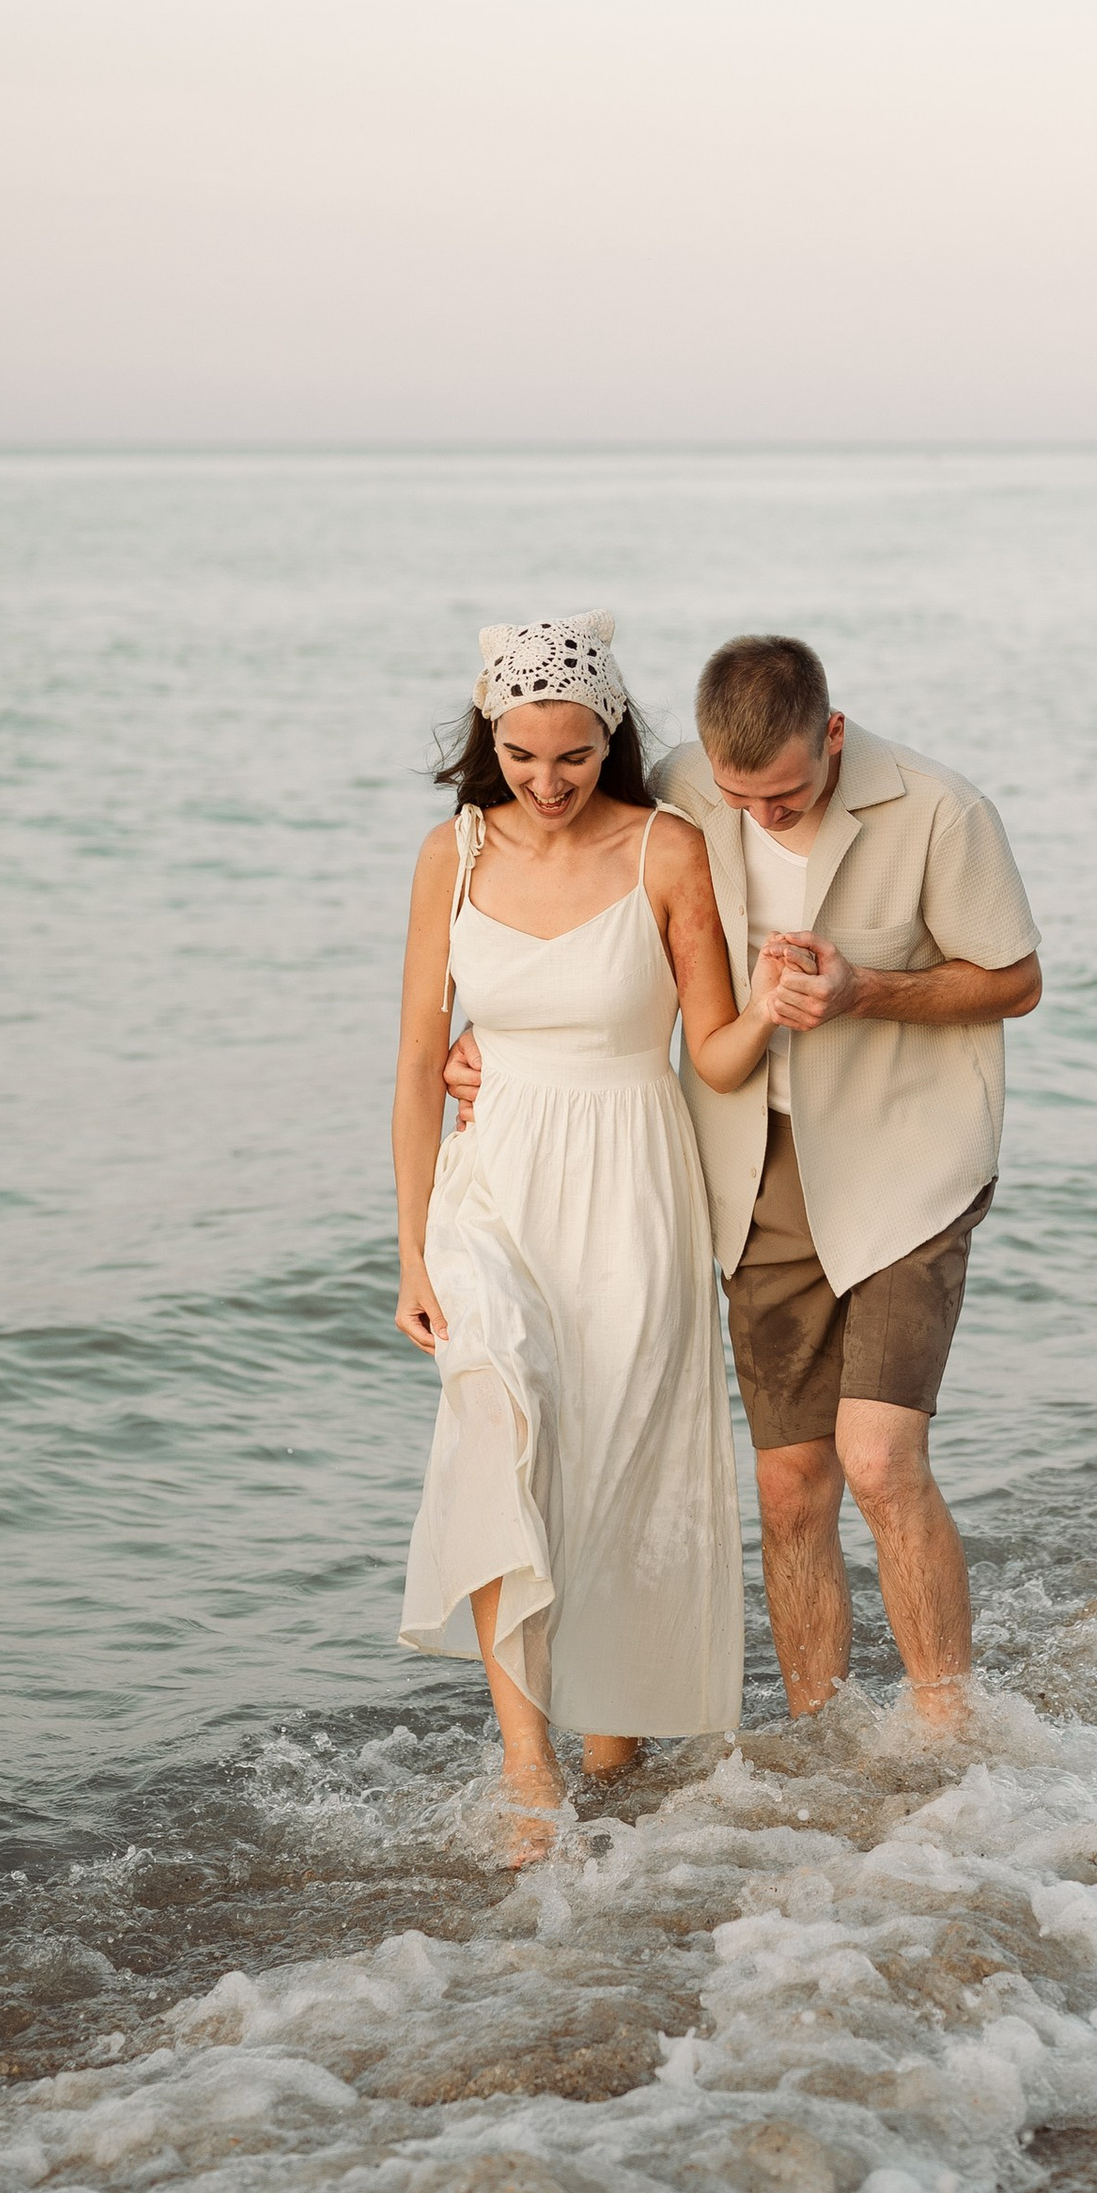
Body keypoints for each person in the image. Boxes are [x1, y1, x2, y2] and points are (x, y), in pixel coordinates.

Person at [450, 633, 1042, 1724]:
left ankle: (949, 1735)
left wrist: (864, 990)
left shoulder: (940, 810)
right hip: (750, 1172)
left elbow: (1015, 980)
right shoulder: (680, 790)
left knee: (878, 1460)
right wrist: (502, 1036)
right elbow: (585, 890)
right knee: (789, 1483)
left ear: (833, 733)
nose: (762, 816)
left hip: (906, 1164)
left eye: (785, 796)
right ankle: (820, 1739)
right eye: (740, 797)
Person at [392, 611, 789, 1863]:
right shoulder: (451, 854)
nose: (546, 781)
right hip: (492, 1183)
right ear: (488, 739)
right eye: (520, 755)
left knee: (618, 1466)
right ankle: (529, 1769)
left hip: (631, 1183)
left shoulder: (666, 848)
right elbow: (414, 1065)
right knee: (495, 1421)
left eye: (570, 755)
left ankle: (614, 1753)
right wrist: (410, 1251)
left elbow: (712, 1052)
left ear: (609, 734)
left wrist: (775, 1008)